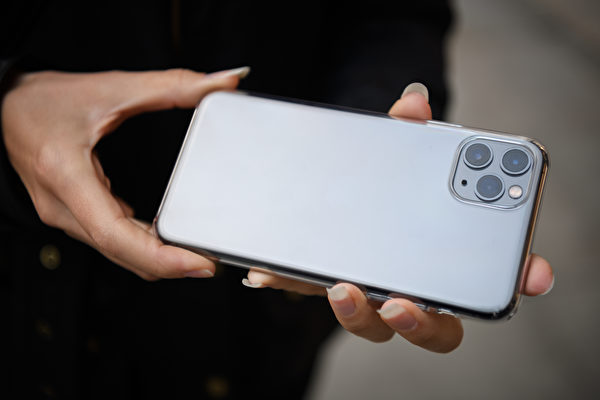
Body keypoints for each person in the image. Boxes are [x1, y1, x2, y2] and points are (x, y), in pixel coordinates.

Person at [0, 1, 553, 398]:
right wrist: (9, 103)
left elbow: (395, 15)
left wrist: (372, 135)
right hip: (33, 301)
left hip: (262, 325)